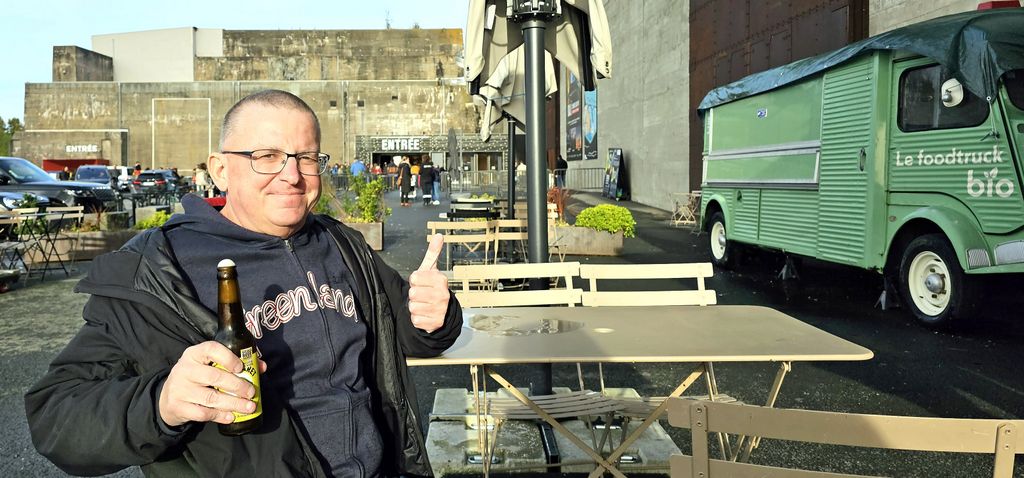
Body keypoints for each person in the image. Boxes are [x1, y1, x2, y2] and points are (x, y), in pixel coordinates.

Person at [24, 89, 462, 477]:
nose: (292, 175)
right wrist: (163, 402)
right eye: (266, 156)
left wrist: (434, 316)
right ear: (220, 169)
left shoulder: (342, 243)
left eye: (306, 157)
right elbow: (56, 417)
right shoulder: (155, 271)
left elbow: (410, 339)